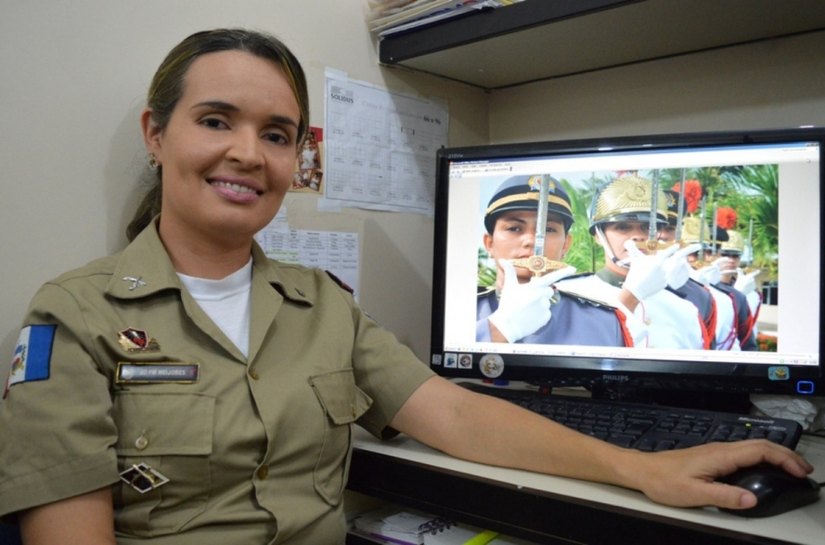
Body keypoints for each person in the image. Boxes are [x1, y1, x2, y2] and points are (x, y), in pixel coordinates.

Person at [0, 28, 812, 545]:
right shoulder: (74, 316)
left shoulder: (317, 306)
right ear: (156, 133)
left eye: (275, 134)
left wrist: (645, 468)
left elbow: (454, 413)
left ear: (296, 158)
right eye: (216, 120)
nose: (248, 153)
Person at [476, 175, 633, 346]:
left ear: (566, 245)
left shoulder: (604, 322)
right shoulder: (454, 311)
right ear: (489, 243)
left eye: (548, 229)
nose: (532, 240)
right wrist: (500, 329)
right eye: (514, 228)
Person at [558, 174, 710, 349]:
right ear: (598, 236)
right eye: (623, 227)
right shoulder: (566, 297)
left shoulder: (684, 309)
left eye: (648, 228)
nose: (638, 236)